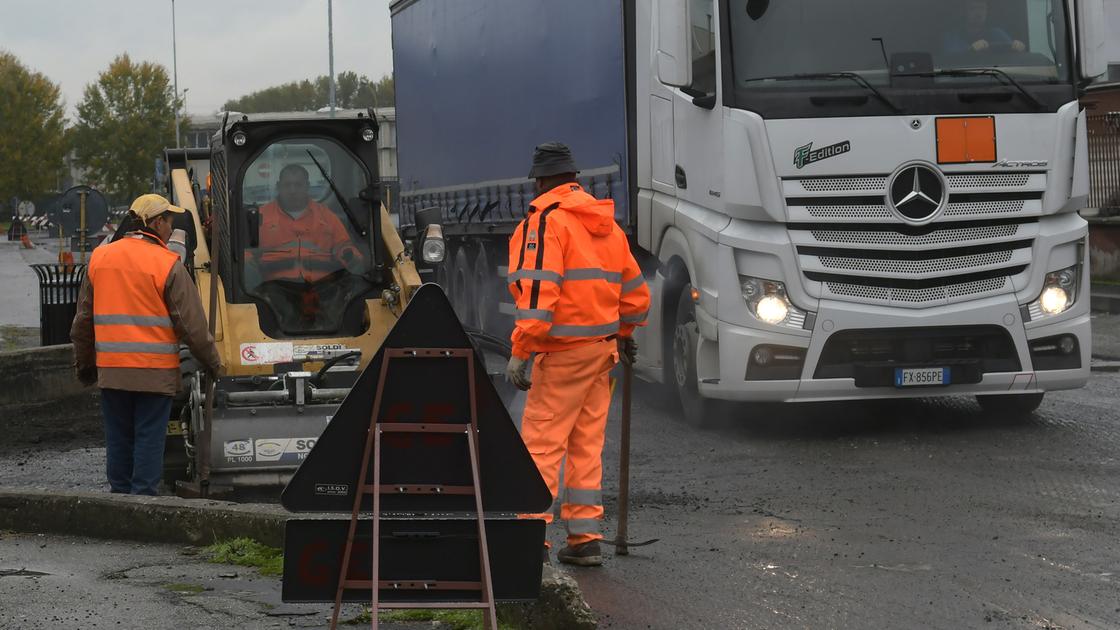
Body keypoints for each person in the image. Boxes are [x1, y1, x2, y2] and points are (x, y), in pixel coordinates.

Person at [506, 142, 651, 567]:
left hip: (563, 354)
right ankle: (585, 537)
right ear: (574, 179)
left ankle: (529, 537)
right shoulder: (604, 223)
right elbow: (636, 295)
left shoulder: (546, 221)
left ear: (539, 180)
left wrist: (521, 348)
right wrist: (624, 333)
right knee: (586, 445)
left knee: (542, 445)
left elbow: (537, 292)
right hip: (601, 353)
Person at [71, 194, 222, 496]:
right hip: (154, 374)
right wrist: (213, 364)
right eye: (168, 221)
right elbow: (192, 327)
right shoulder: (167, 264)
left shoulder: (100, 259)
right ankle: (143, 505)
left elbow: (83, 323)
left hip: (113, 374)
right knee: (149, 438)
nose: (170, 227)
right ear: (155, 223)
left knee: (119, 438)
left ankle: (120, 501)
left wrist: (87, 366)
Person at [247, 164, 363, 285]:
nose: (292, 190)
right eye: (287, 185)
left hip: (324, 286)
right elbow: (245, 252)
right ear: (278, 186)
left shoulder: (326, 216)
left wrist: (351, 255)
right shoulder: (260, 216)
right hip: (273, 286)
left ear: (307, 186)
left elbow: (343, 245)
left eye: (298, 185)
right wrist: (249, 263)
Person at [943, 0, 1026, 55]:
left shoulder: (997, 33)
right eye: (973, 8)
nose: (978, 13)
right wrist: (970, 51)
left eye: (982, 8)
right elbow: (950, 60)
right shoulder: (952, 36)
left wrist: (1019, 47)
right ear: (964, 12)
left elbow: (1011, 52)